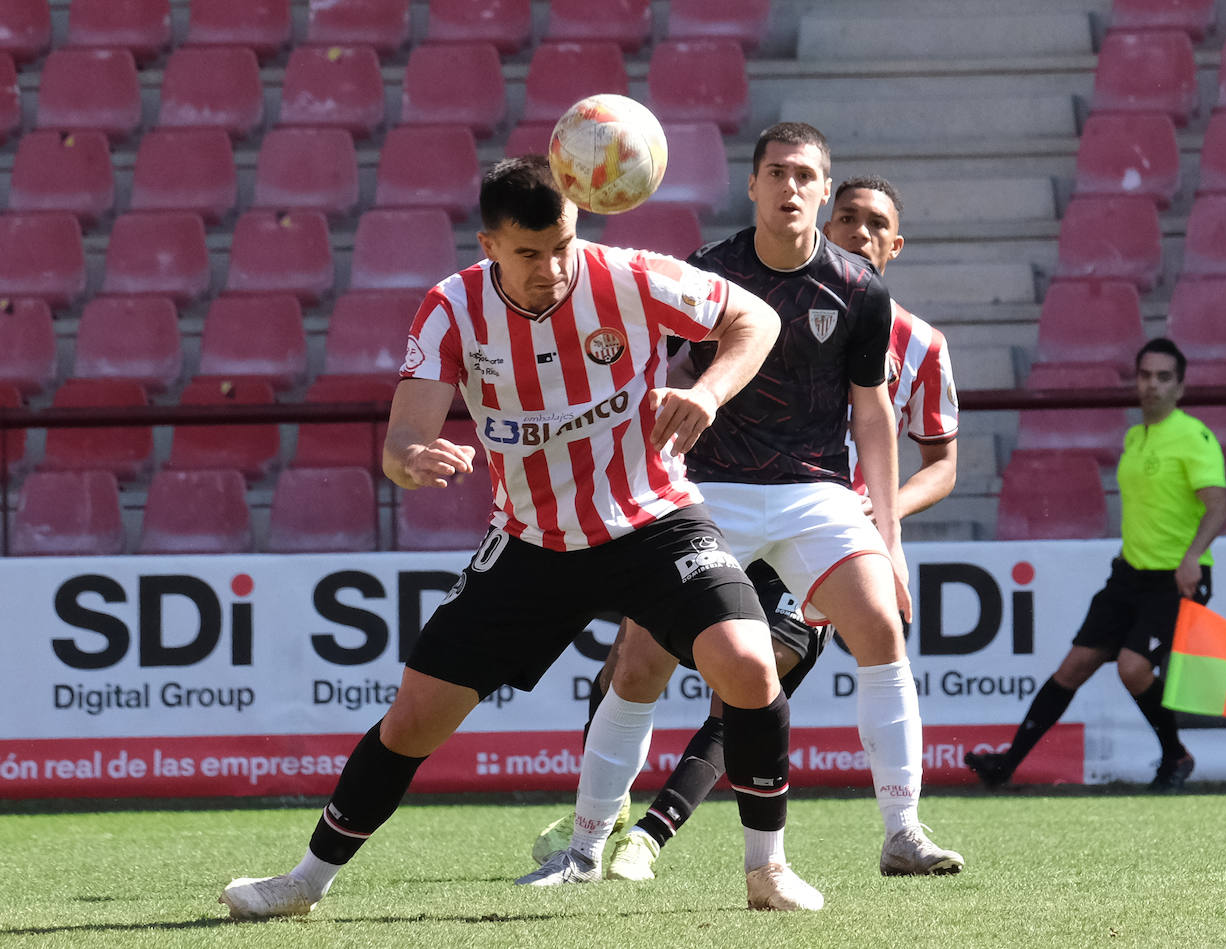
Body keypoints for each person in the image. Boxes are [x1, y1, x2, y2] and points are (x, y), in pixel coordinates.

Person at [218, 155, 825, 918]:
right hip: (534, 539)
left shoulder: (629, 276)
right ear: (489, 245)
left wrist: (706, 390)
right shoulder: (451, 309)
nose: (553, 268)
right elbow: (402, 440)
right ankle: (305, 881)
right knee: (413, 718)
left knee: (746, 660)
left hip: (652, 519)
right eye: (530, 253)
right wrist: (413, 458)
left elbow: (755, 318)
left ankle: (767, 871)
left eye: (564, 244)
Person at [525, 125, 964, 886]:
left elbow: (872, 416)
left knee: (880, 627)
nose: (790, 187)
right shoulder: (709, 272)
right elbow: (645, 369)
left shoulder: (861, 289)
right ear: (753, 186)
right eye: (775, 173)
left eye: (804, 175)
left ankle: (903, 832)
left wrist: (887, 538)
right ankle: (586, 850)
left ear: (821, 191)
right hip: (710, 489)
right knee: (638, 663)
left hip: (816, 491)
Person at [964, 337, 1226, 792]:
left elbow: (1219, 506)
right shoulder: (1134, 435)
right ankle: (1007, 765)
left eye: (1164, 377)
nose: (1152, 385)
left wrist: (1191, 559)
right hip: (1128, 575)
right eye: (1145, 375)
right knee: (1072, 667)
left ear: (1180, 387)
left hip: (1176, 580)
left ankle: (1175, 754)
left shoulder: (1194, 437)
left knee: (1132, 668)